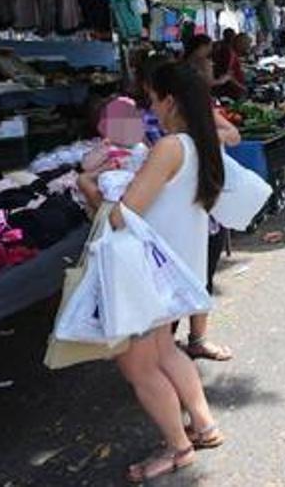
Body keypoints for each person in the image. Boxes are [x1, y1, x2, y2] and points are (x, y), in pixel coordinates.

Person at [78, 62, 225, 482]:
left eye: (151, 98)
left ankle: (179, 448)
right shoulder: (198, 142)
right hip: (175, 268)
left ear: (170, 100)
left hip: (150, 273)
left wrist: (89, 189)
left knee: (138, 366)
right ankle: (204, 425)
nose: (149, 108)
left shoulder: (169, 147)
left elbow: (124, 217)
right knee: (164, 352)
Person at [135, 54, 240, 362]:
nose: (152, 103)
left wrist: (195, 140)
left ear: (169, 98)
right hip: (174, 207)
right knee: (173, 286)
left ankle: (187, 344)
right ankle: (166, 353)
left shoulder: (180, 137)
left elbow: (233, 135)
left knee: (193, 279)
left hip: (194, 209)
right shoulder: (134, 116)